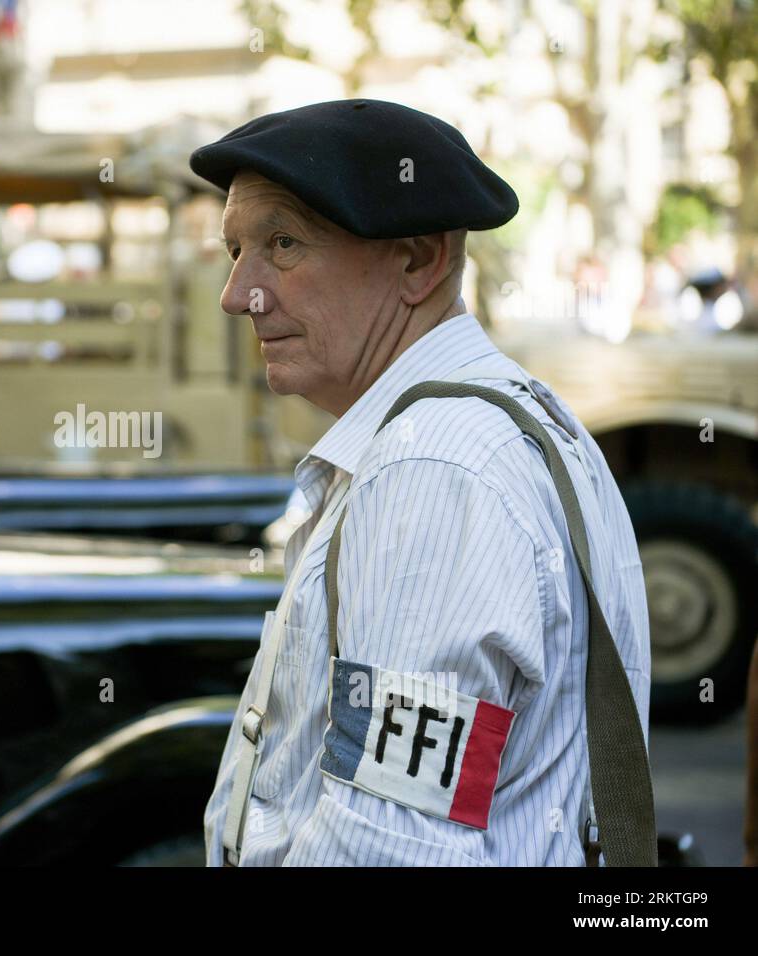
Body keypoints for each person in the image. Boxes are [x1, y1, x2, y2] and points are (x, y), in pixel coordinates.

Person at [191, 99, 654, 866]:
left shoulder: (433, 470)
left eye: (283, 244)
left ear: (418, 260)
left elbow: (393, 847)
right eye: (236, 250)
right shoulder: (506, 420)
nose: (239, 293)